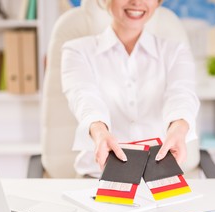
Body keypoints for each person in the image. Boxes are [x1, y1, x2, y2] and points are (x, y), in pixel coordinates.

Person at [61, 0, 200, 178]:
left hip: (160, 177)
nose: (136, 2)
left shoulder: (176, 51)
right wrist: (99, 131)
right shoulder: (77, 51)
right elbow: (84, 98)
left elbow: (182, 94)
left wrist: (178, 129)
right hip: (98, 176)